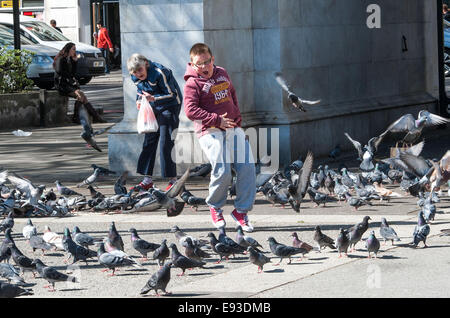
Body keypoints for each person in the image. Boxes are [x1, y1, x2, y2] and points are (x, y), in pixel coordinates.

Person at [183, 43, 256, 232]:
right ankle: (215, 206)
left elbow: (231, 93)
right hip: (209, 131)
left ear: (212, 59)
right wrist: (216, 120)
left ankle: (241, 212)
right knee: (223, 169)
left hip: (232, 126)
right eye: (200, 64)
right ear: (192, 64)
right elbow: (190, 110)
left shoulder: (222, 72)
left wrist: (237, 116)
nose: (205, 67)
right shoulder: (192, 83)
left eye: (207, 62)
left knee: (247, 167)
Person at [127, 53, 182, 192]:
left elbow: (172, 94)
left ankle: (173, 180)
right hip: (153, 108)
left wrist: (154, 98)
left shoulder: (160, 72)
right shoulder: (135, 76)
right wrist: (139, 101)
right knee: (149, 142)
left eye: (139, 70)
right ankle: (147, 180)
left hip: (169, 107)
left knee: (166, 143)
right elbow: (140, 91)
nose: (138, 74)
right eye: (134, 72)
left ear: (146, 64)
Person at [53, 42, 106, 124]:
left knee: (82, 97)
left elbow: (73, 73)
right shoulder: (60, 59)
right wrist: (69, 77)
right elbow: (59, 71)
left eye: (75, 49)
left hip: (68, 84)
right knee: (80, 94)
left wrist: (75, 62)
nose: (75, 51)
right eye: (73, 49)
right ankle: (94, 117)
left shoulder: (70, 59)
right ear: (68, 49)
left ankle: (90, 117)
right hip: (61, 84)